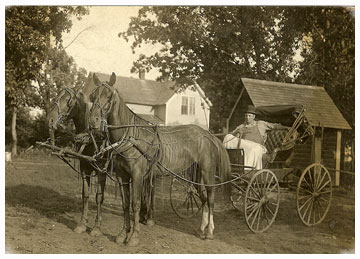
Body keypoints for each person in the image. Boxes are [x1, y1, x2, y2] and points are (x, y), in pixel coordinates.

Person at [223, 105, 290, 169]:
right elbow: (232, 136)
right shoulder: (241, 126)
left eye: (249, 116)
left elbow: (274, 126)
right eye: (246, 116)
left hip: (257, 148)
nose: (247, 118)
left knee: (252, 149)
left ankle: (248, 170)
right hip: (243, 149)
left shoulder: (260, 124)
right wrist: (236, 133)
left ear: (254, 116)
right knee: (228, 137)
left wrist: (286, 127)